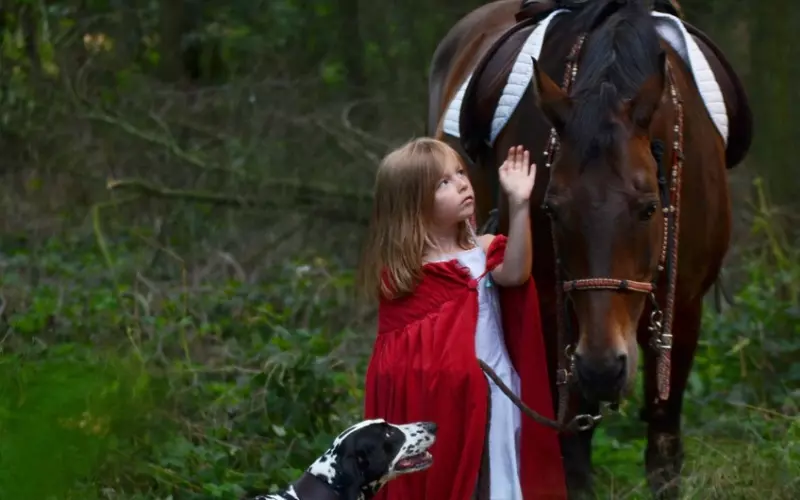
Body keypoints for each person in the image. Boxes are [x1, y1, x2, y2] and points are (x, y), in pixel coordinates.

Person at [358, 137, 566, 500]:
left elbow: (516, 273)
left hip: (497, 393)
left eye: (459, 173)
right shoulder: (406, 277)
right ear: (413, 204)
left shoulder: (482, 250)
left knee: (496, 481)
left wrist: (518, 205)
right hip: (444, 408)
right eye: (443, 183)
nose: (462, 183)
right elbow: (398, 370)